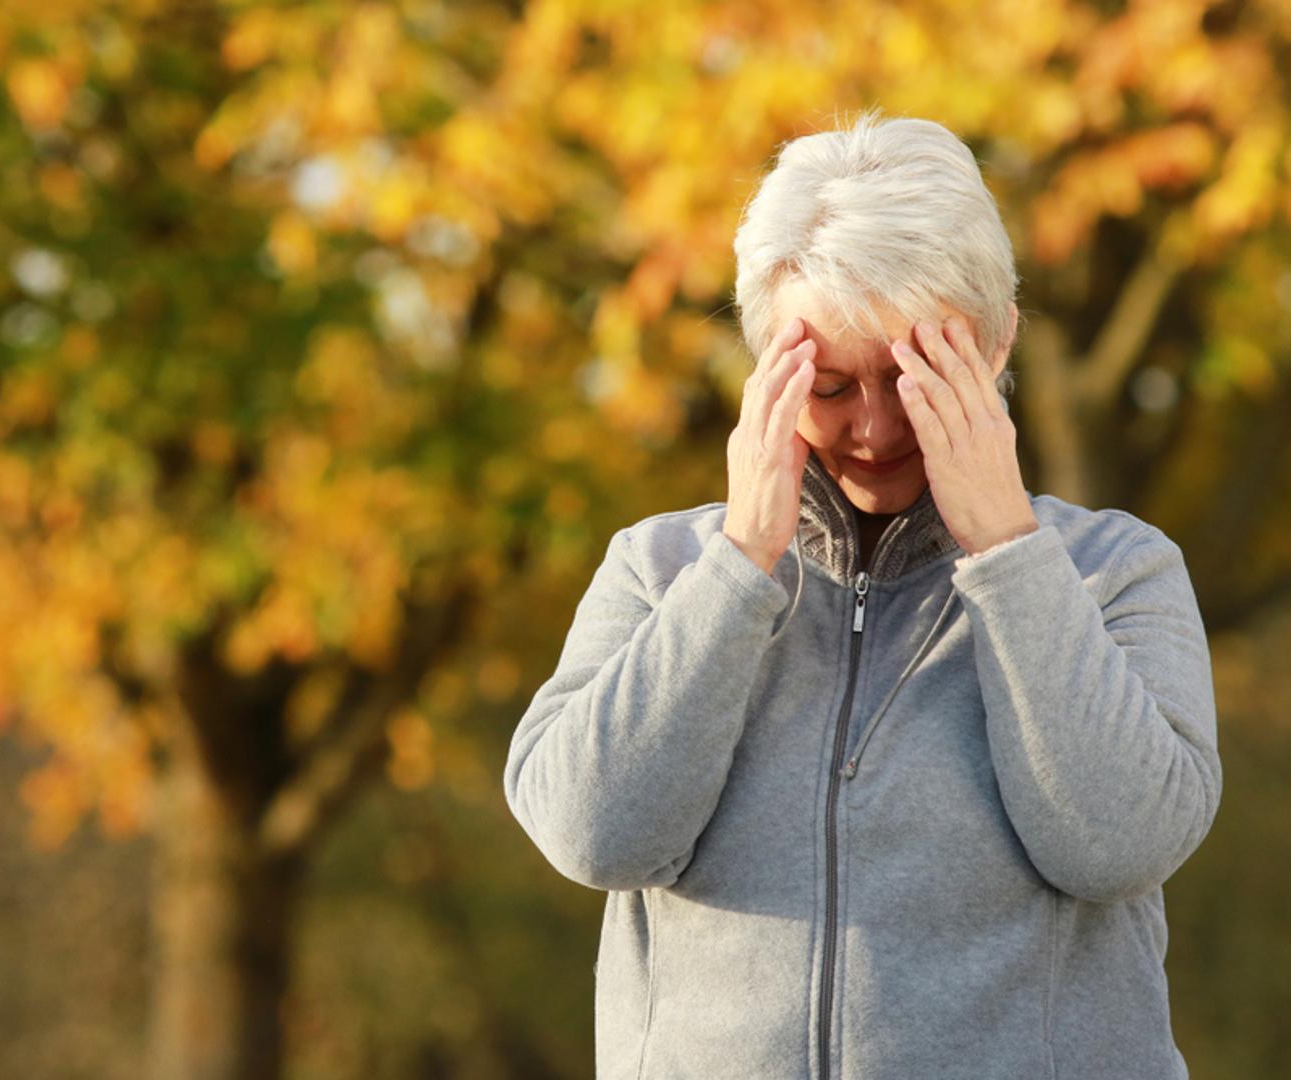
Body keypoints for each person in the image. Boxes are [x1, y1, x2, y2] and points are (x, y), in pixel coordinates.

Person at [502, 113, 1222, 1080]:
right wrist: (737, 563)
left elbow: (1121, 843)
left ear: (996, 340)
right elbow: (593, 833)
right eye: (832, 386)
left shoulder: (1113, 571)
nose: (876, 429)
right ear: (767, 368)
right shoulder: (659, 568)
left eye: (913, 376)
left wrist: (1009, 552)